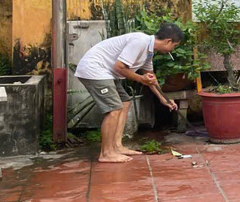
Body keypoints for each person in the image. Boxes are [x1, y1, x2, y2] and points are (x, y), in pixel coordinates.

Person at [75, 24, 183, 163]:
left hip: (107, 73)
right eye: (174, 46)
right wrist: (140, 79)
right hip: (95, 69)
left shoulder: (148, 51)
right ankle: (106, 153)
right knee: (114, 109)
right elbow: (119, 66)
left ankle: (117, 146)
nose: (172, 50)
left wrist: (163, 99)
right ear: (168, 41)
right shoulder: (140, 41)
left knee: (125, 102)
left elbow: (150, 77)